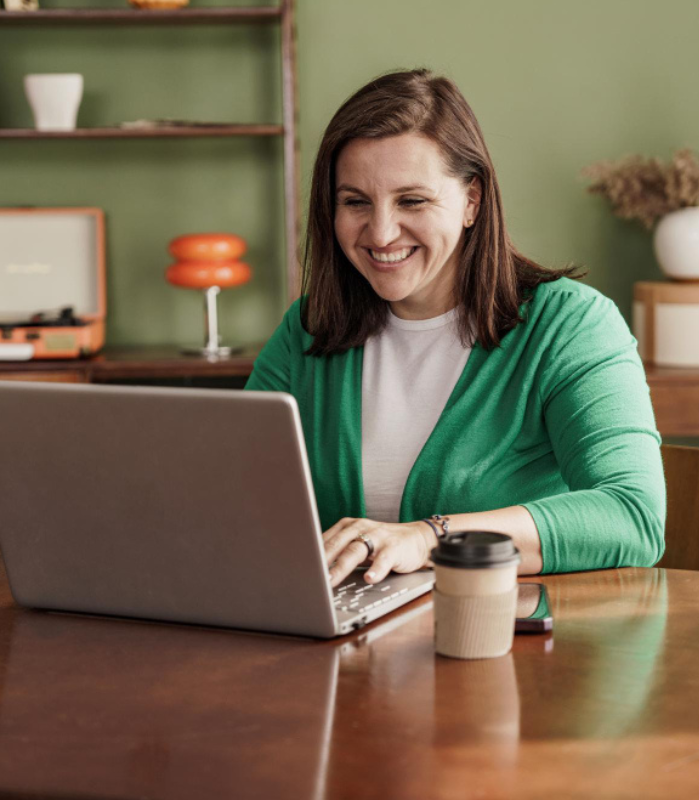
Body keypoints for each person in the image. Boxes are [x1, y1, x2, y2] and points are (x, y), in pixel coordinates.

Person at [246, 69, 665, 587]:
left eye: (412, 201)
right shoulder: (308, 330)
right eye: (355, 201)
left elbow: (632, 517)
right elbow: (236, 496)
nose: (380, 232)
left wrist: (428, 536)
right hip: (346, 645)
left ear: (472, 200)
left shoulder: (570, 325)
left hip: (511, 645)